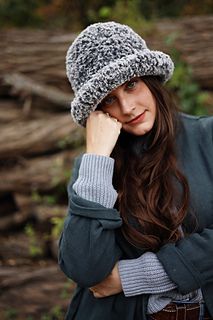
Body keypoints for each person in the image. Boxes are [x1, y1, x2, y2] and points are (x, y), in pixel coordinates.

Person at [59, 21, 213, 320]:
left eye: (131, 85)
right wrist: (98, 160)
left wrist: (138, 275)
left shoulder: (207, 136)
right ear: (97, 114)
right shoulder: (91, 168)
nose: (127, 107)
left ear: (149, 79)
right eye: (109, 100)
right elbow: (86, 269)